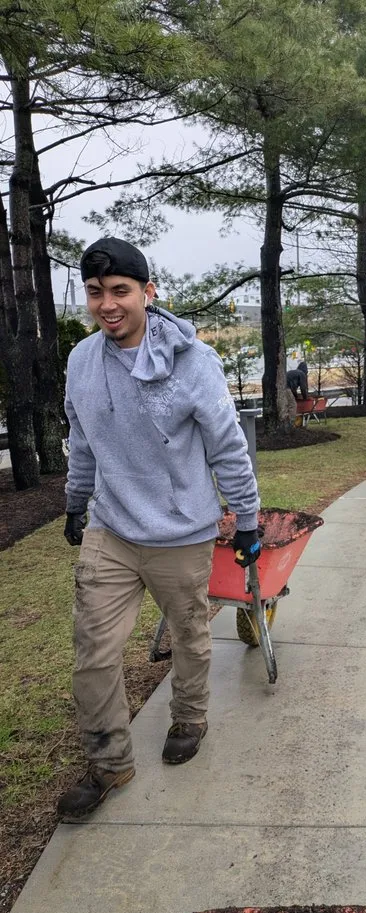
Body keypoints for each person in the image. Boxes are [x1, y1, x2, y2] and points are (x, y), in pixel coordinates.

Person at [58, 237, 260, 820]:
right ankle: (109, 763)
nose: (107, 304)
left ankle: (189, 718)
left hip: (182, 534)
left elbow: (228, 449)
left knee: (189, 636)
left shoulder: (193, 363)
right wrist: (77, 503)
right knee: (93, 653)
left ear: (148, 292)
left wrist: (246, 521)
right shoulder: (80, 361)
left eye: (120, 291)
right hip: (113, 530)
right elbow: (83, 440)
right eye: (96, 293)